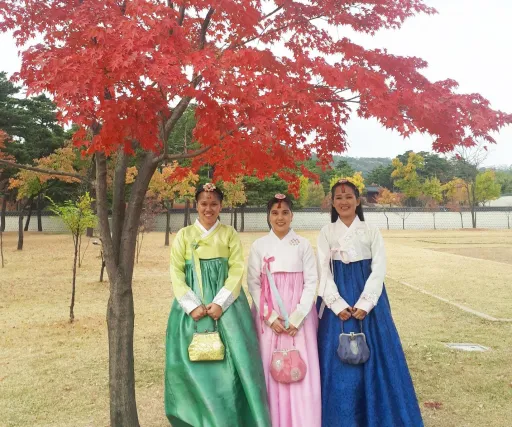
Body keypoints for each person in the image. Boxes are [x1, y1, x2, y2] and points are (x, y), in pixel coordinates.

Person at [316, 179, 423, 427]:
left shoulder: (371, 231)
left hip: (369, 301)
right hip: (338, 301)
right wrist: (336, 303)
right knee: (337, 360)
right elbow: (322, 269)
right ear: (332, 203)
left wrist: (366, 302)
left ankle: (379, 416)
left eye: (348, 197)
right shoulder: (326, 232)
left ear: (358, 200)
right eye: (338, 198)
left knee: (377, 356)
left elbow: (379, 268)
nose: (343, 202)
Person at [165, 183, 271, 427]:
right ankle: (196, 418)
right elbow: (176, 273)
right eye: (204, 203)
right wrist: (192, 305)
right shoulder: (184, 236)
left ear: (221, 205)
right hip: (193, 310)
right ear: (196, 205)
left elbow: (236, 269)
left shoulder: (229, 234)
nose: (208, 208)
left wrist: (220, 303)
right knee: (190, 366)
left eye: (214, 204)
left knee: (234, 364)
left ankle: (234, 417)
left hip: (227, 307)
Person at [248, 194, 321, 427]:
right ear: (268, 216)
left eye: (285, 212)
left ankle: (303, 420)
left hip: (298, 316)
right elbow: (253, 284)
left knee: (301, 366)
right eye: (275, 213)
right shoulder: (259, 246)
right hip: (271, 316)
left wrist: (298, 316)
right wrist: (269, 317)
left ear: (292, 215)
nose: (280, 217)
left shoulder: (303, 245)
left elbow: (312, 282)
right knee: (270, 366)